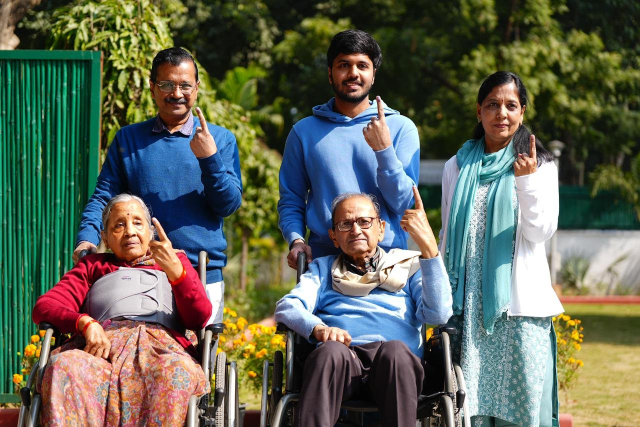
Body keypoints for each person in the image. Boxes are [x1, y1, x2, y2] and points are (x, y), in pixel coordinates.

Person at [73, 47, 242, 325]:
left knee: (198, 362)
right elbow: (104, 196)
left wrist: (209, 158)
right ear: (152, 87)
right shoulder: (128, 139)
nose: (177, 93)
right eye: (166, 84)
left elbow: (228, 204)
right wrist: (87, 238)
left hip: (201, 272)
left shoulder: (219, 139)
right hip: (138, 272)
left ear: (196, 89)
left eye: (185, 85)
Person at [439, 71, 564, 427]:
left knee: (521, 413)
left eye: (511, 105)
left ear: (522, 112)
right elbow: (448, 234)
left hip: (518, 310)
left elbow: (541, 232)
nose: (501, 114)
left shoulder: (539, 164)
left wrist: (525, 183)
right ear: (479, 111)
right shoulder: (458, 165)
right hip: (469, 311)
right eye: (492, 105)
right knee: (470, 409)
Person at [275, 189, 452, 426]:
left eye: (364, 222)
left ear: (381, 228)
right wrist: (318, 328)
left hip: (397, 367)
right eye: (345, 224)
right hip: (343, 362)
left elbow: (438, 314)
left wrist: (429, 251)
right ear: (334, 236)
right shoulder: (322, 269)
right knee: (330, 351)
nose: (356, 230)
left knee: (396, 352)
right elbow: (287, 307)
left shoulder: (409, 265)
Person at [32, 194, 212, 425]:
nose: (129, 231)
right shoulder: (93, 266)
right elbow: (45, 307)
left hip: (162, 350)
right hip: (102, 351)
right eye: (119, 225)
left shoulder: (174, 262)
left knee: (176, 371)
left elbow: (199, 318)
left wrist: (177, 273)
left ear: (150, 231)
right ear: (105, 237)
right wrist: (85, 322)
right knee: (64, 366)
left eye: (138, 223)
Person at [278, 29, 420, 270]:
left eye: (362, 66)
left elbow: (404, 205)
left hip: (388, 264)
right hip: (323, 264)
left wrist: (384, 149)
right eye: (344, 65)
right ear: (330, 74)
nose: (353, 73)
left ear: (373, 74)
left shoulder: (400, 128)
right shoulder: (303, 132)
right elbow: (291, 199)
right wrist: (296, 240)